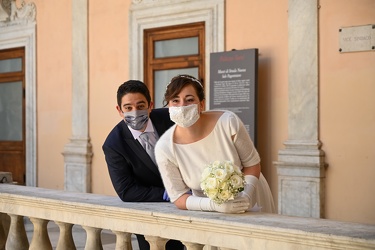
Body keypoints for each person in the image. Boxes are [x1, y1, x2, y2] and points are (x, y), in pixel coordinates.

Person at [155, 75, 276, 214]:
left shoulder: (228, 123)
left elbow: (252, 164)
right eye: (175, 101)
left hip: (251, 195)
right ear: (168, 105)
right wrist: (214, 205)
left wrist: (245, 195)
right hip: (205, 210)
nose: (182, 106)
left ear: (201, 104)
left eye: (189, 100)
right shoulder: (165, 148)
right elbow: (178, 197)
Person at [102, 80, 184, 250]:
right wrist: (167, 194)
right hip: (152, 214)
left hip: (190, 204)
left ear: (150, 105)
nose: (135, 112)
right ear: (119, 110)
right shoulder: (114, 144)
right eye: (128, 108)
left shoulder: (171, 119)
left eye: (141, 105)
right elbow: (126, 191)